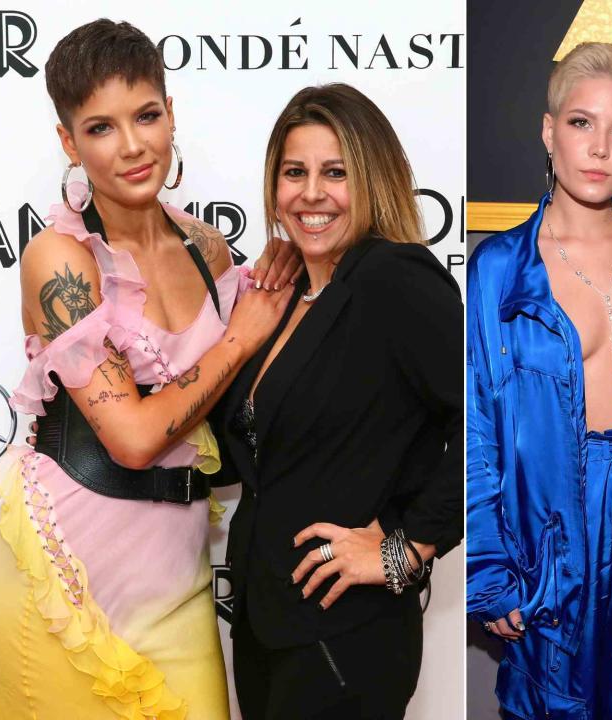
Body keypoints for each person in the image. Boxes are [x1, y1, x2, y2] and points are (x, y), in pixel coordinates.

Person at [0, 20, 295, 719]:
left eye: (147, 115)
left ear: (171, 113)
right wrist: (237, 341)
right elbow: (130, 437)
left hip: (177, 580)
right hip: (64, 582)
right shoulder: (60, 260)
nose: (132, 146)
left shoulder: (207, 250)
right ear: (69, 142)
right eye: (100, 127)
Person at [213, 83, 463, 720]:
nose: (312, 193)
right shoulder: (284, 293)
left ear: (372, 179)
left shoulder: (392, 279)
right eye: (295, 172)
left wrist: (407, 549)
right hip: (267, 625)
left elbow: (488, 418)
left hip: (346, 638)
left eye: (336, 172)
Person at [467, 42, 612, 719]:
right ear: (549, 131)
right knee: (557, 701)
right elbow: (478, 424)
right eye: (582, 123)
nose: (600, 149)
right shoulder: (501, 267)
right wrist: (488, 566)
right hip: (554, 513)